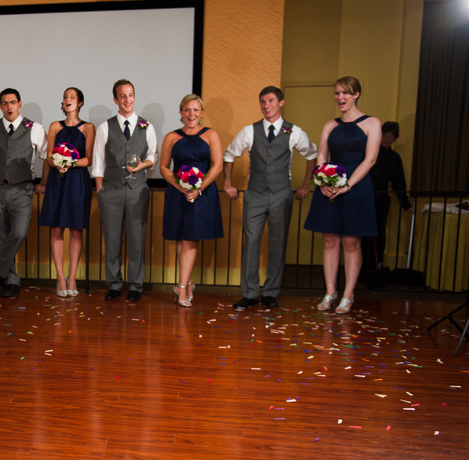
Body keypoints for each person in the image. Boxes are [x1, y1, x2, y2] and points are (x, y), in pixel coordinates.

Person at [223, 86, 318, 310]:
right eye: (263, 102)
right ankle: (249, 294)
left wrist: (306, 184)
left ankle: (271, 293)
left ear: (281, 103)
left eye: (271, 101)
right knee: (251, 242)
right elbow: (229, 154)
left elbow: (312, 154)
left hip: (281, 193)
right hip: (254, 193)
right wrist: (227, 181)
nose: (267, 106)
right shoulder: (249, 130)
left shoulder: (294, 132)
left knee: (278, 243)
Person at [303, 76, 381, 314]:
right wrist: (325, 182)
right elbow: (321, 157)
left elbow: (371, 159)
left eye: (345, 93)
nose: (340, 97)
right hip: (329, 187)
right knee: (329, 241)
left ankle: (347, 295)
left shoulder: (372, 123)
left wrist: (347, 186)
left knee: (350, 242)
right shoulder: (330, 125)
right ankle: (329, 292)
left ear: (356, 94)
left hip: (356, 188)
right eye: (337, 93)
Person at [91, 79, 157, 302]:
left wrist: (143, 165)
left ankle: (136, 285)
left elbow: (153, 157)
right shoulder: (104, 127)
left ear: (134, 97)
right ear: (115, 100)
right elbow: (98, 161)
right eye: (122, 96)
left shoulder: (146, 127)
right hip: (111, 189)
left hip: (138, 189)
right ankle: (114, 284)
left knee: (137, 238)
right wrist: (100, 188)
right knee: (111, 238)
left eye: (130, 95)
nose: (127, 100)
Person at [0, 89, 47, 297]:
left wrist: (44, 182)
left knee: (18, 232)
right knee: (0, 235)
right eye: (4, 103)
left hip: (23, 188)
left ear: (20, 104)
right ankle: (9, 279)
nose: (9, 107)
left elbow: (46, 156)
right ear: (0, 106)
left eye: (12, 102)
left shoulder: (34, 128)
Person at [160, 94, 224, 307]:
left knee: (190, 239)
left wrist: (198, 188)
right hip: (177, 193)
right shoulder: (171, 137)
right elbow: (163, 167)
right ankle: (186, 284)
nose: (191, 114)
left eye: (196, 110)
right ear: (180, 112)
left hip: (202, 194)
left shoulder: (211, 134)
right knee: (180, 238)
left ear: (202, 113)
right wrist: (179, 186)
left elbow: (217, 165)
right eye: (187, 110)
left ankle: (181, 287)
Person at [37, 87, 94, 297]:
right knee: (57, 229)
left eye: (72, 97)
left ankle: (72, 277)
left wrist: (69, 163)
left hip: (78, 181)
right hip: (57, 182)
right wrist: (57, 163)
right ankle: (60, 277)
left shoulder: (88, 127)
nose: (68, 100)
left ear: (80, 102)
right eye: (65, 97)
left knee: (76, 229)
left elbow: (89, 159)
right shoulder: (54, 126)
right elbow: (49, 158)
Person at [361, 121, 413, 273]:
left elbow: (398, 183)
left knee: (379, 233)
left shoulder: (394, 158)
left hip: (382, 200)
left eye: (390, 136)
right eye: (383, 135)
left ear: (395, 139)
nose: (386, 138)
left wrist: (406, 204)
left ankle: (375, 267)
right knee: (362, 234)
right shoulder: (369, 152)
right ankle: (361, 268)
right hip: (364, 197)